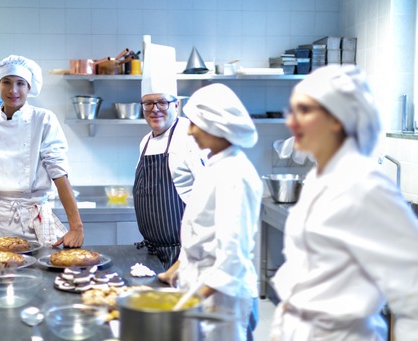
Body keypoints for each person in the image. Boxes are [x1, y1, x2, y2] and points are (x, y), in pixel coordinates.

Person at [269, 64, 418, 340]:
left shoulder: (367, 186)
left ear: (337, 119)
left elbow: (412, 293)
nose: (292, 122)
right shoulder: (318, 180)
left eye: (305, 111)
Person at [158, 83, 263, 341]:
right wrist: (175, 270)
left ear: (217, 126)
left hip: (223, 299)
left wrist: (187, 303)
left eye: (195, 123)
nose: (190, 131)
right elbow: (201, 231)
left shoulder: (234, 174)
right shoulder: (216, 166)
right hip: (204, 290)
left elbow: (232, 258)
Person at [0, 55, 84, 249]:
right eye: (6, 83)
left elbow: (59, 173)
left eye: (20, 83)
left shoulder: (44, 119)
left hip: (33, 222)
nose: (13, 90)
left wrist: (76, 226)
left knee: (40, 276)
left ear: (29, 87)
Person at [133, 43, 204, 270]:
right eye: (148, 103)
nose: (155, 109)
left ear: (177, 104)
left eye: (162, 101)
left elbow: (207, 205)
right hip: (152, 253)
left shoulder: (190, 138)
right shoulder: (145, 142)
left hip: (184, 256)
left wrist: (185, 258)